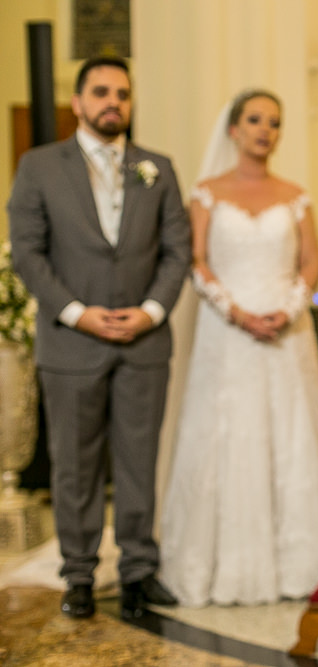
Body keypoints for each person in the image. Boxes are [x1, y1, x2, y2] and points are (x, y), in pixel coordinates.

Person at [158, 90, 318, 606]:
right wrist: (236, 311)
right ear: (233, 129)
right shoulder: (206, 194)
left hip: (286, 330)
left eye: (274, 122)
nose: (264, 130)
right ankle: (223, 564)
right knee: (228, 431)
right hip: (226, 334)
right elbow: (197, 260)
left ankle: (303, 562)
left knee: (292, 432)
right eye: (254, 120)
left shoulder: (295, 195)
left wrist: (290, 308)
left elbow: (312, 262)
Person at [7, 56, 190, 619]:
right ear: (80, 102)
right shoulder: (39, 166)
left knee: (138, 460)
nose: (114, 101)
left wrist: (153, 310)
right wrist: (76, 312)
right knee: (75, 464)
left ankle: (137, 571)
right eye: (101, 91)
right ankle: (79, 574)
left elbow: (176, 250)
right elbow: (28, 252)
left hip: (143, 344)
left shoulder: (156, 167)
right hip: (71, 344)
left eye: (123, 93)